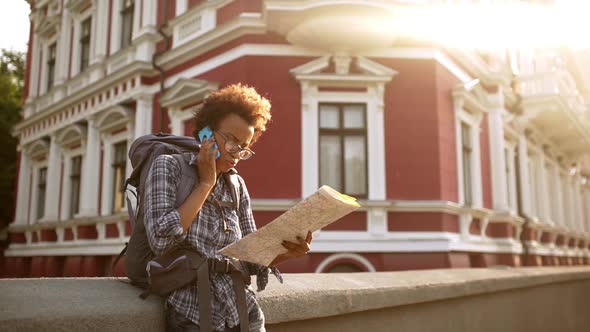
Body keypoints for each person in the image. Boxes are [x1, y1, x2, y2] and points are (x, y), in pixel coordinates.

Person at [143, 83, 312, 331]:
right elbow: (160, 240)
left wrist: (289, 251)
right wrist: (206, 183)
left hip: (244, 312)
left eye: (244, 148)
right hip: (193, 314)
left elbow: (251, 258)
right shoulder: (168, 167)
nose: (236, 154)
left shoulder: (236, 184)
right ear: (206, 135)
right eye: (232, 141)